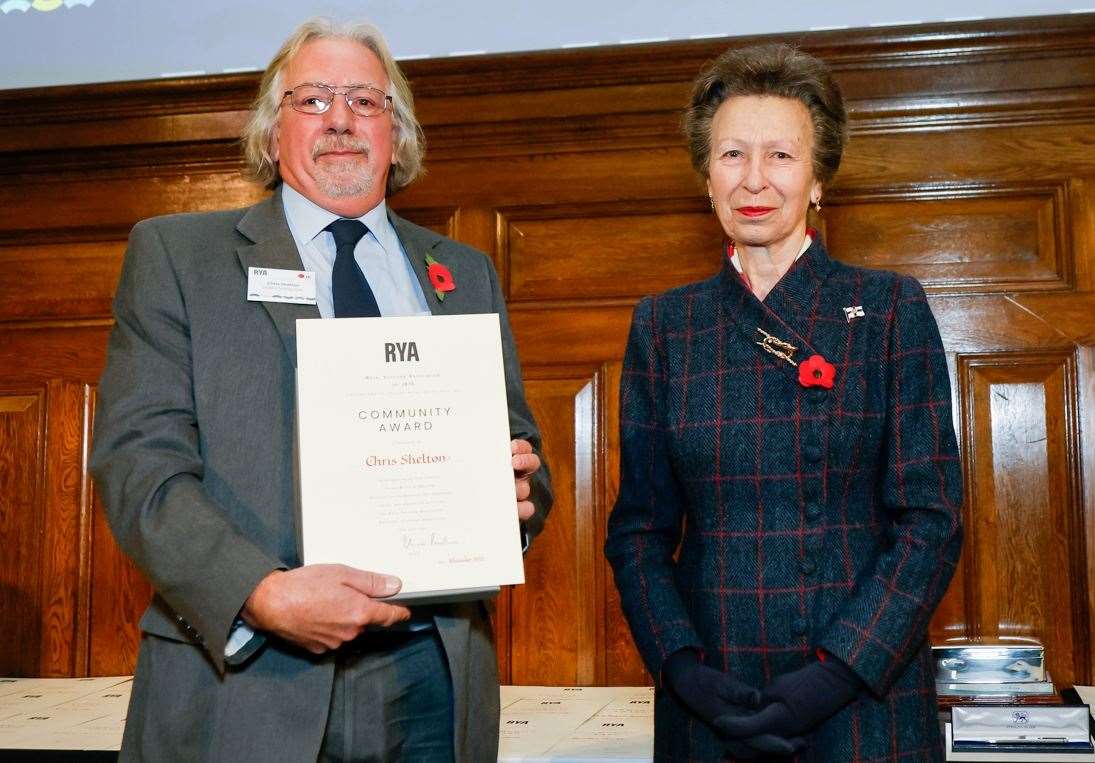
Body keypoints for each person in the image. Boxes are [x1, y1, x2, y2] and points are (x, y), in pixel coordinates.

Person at [90, 18, 551, 763]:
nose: (340, 118)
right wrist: (259, 593)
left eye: (365, 102)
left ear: (395, 137)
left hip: (431, 673)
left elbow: (522, 449)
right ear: (273, 134)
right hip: (244, 679)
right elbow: (137, 463)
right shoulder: (179, 256)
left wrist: (519, 495)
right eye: (312, 100)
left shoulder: (463, 273)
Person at [604, 43, 962, 762]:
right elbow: (638, 531)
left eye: (780, 156)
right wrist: (681, 669)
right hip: (711, 701)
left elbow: (930, 520)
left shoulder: (889, 308)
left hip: (863, 698)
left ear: (818, 178)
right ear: (705, 177)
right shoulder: (663, 325)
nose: (754, 180)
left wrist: (831, 676)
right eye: (732, 155)